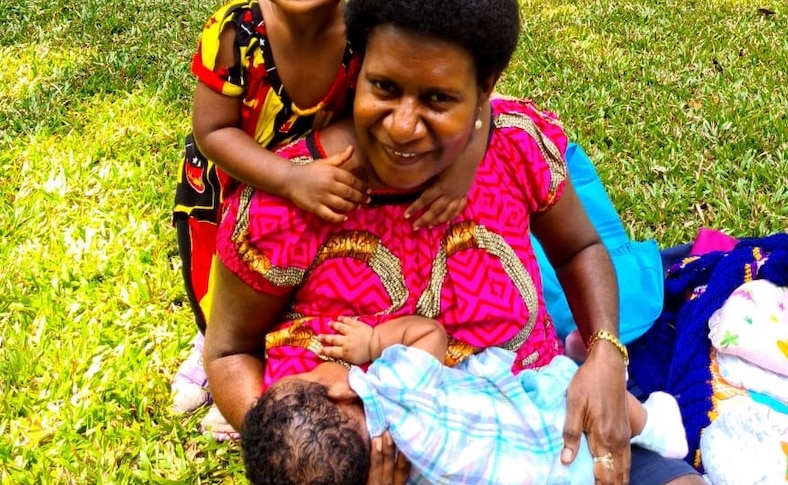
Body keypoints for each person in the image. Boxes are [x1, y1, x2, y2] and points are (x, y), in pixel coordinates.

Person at [203, 0, 707, 483]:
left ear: (484, 89)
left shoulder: (513, 147)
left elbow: (580, 250)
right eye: (383, 86)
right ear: (355, 70)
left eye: (438, 99)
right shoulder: (290, 199)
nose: (402, 127)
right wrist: (313, 459)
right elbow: (228, 353)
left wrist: (604, 353)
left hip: (544, 424)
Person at [169, 0, 486, 424]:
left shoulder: (368, 25)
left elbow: (474, 89)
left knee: (291, 276)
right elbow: (212, 131)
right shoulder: (234, 33)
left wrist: (463, 168)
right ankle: (213, 348)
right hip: (233, 180)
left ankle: (273, 347)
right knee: (218, 280)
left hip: (325, 185)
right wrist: (288, 178)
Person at [242, 316, 688, 485]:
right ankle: (658, 429)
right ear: (339, 391)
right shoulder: (391, 381)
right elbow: (430, 335)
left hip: (559, 477)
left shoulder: (387, 475)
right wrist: (375, 341)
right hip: (552, 421)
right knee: (571, 385)